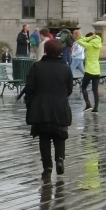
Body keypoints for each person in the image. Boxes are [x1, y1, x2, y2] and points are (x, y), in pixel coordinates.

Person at [25, 37, 73, 179]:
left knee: (44, 138)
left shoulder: (37, 67)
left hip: (41, 107)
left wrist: (30, 104)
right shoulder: (66, 68)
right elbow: (69, 89)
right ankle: (60, 159)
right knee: (60, 136)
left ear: (45, 51)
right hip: (60, 107)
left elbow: (29, 88)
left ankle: (47, 167)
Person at [76, 29, 103, 111]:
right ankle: (96, 107)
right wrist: (94, 37)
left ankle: (88, 104)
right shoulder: (99, 43)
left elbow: (79, 41)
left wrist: (89, 38)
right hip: (97, 70)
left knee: (83, 87)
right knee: (95, 90)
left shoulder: (90, 45)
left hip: (89, 70)